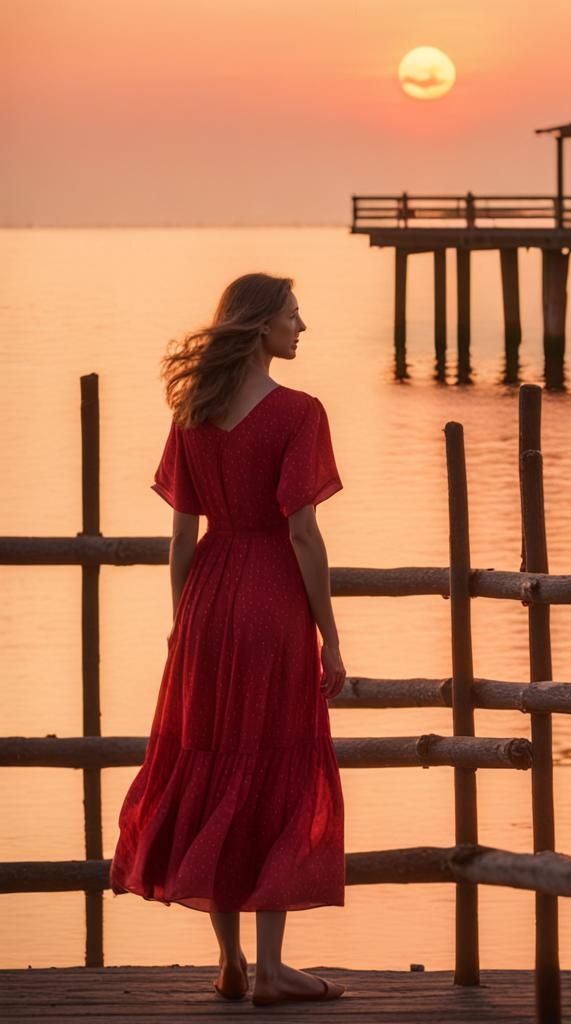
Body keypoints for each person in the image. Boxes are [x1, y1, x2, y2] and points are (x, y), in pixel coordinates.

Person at [108, 272, 347, 1007]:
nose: (302, 328)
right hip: (272, 602)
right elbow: (302, 533)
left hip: (207, 604)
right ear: (262, 325)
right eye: (294, 316)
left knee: (213, 761)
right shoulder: (299, 413)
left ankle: (231, 962)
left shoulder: (194, 410)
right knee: (276, 769)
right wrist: (331, 637)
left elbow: (181, 536)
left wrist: (184, 622)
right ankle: (271, 968)